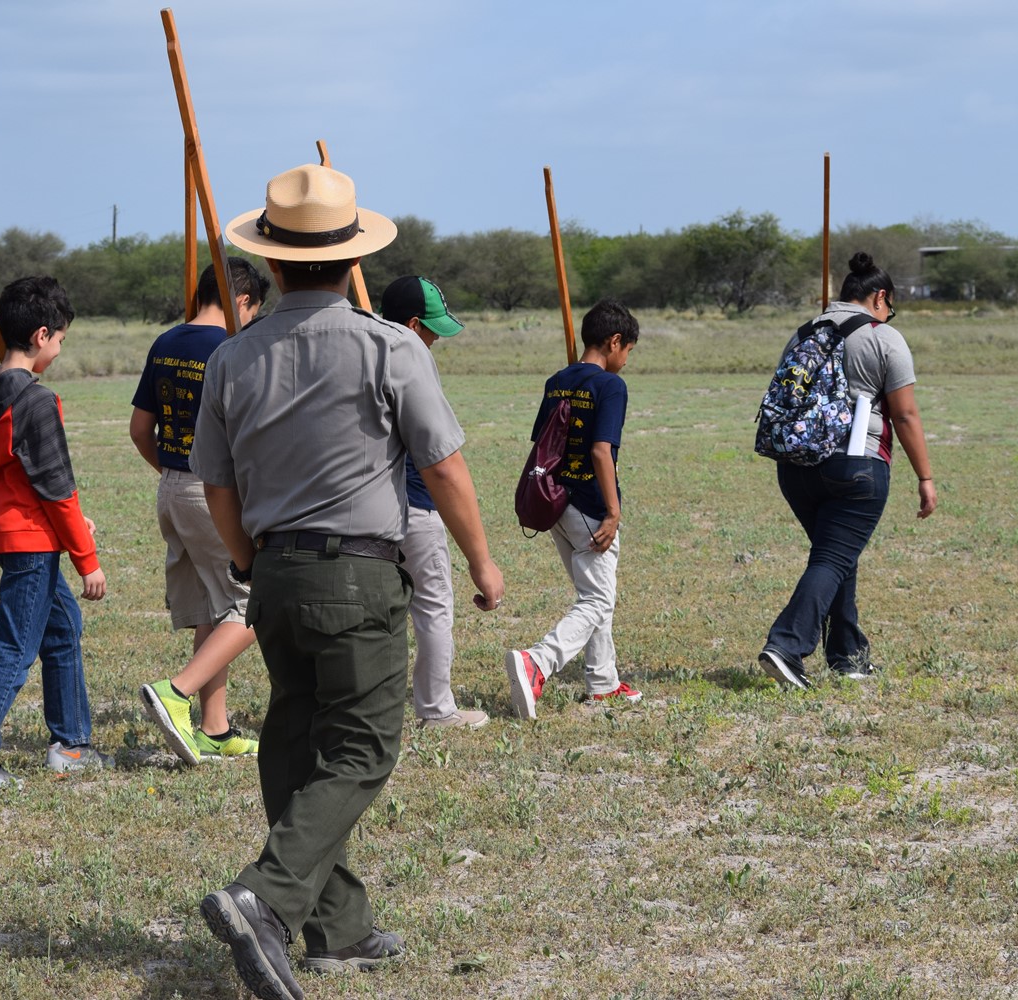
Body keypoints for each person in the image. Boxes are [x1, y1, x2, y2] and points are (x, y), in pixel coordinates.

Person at [189, 164, 504, 1000]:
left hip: (273, 573)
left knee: (295, 740)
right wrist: (481, 560)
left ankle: (341, 928)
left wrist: (251, 563)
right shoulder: (389, 346)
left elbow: (217, 487)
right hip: (357, 571)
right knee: (363, 743)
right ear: (349, 256)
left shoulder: (233, 357)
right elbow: (442, 467)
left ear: (277, 261)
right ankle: (265, 898)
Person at [0, 275, 113, 791]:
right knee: (16, 647)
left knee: (62, 630)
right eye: (61, 339)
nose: (60, 350)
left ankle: (72, 745)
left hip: (6, 532)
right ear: (42, 335)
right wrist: (87, 558)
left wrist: (61, 525)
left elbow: (16, 478)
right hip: (30, 543)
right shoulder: (36, 402)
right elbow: (57, 488)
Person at [758, 252, 937, 690]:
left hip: (795, 467)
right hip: (856, 465)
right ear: (879, 297)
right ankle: (786, 645)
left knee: (838, 556)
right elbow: (906, 415)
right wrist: (925, 477)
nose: (889, 314)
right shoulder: (883, 337)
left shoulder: (804, 334)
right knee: (833, 557)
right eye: (889, 307)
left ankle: (848, 655)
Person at [133, 258, 269, 764]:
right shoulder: (234, 348)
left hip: (171, 487)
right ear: (242, 301)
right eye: (254, 309)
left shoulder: (165, 341)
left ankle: (214, 728)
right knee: (258, 601)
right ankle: (176, 691)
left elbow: (139, 430)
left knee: (216, 607)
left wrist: (174, 476)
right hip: (215, 491)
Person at [506, 300, 643, 721]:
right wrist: (613, 512)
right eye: (628, 351)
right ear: (615, 341)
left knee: (594, 594)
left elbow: (544, 442)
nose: (626, 360)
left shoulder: (557, 380)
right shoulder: (610, 386)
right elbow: (602, 451)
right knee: (598, 600)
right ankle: (538, 663)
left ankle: (603, 683)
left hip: (556, 504)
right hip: (588, 505)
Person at [378, 275, 488, 731]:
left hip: (369, 513)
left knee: (377, 613)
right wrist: (481, 560)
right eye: (431, 331)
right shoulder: (413, 360)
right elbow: (442, 463)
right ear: (413, 324)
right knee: (433, 606)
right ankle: (436, 709)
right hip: (415, 510)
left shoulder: (363, 353)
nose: (434, 342)